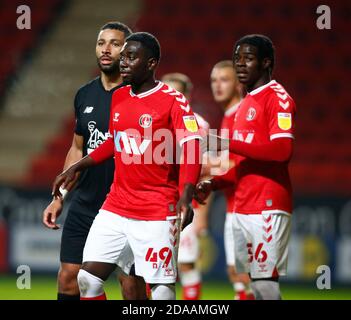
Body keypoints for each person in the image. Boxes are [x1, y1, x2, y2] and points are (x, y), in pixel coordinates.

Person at [52, 32, 202, 300]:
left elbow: (192, 147)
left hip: (156, 209)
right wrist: (76, 167)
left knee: (160, 288)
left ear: (151, 63)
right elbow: (113, 142)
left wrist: (186, 194)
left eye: (132, 57)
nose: (124, 63)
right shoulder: (120, 97)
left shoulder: (173, 100)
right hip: (116, 206)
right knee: (87, 279)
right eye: (124, 57)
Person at [42, 22, 146, 300]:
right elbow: (78, 148)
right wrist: (60, 196)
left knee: (131, 287)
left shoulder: (138, 95)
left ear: (127, 52)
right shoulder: (85, 94)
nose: (106, 49)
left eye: (114, 43)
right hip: (86, 203)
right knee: (69, 278)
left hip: (127, 208)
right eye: (101, 43)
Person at [197, 34, 296, 300]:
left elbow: (282, 151)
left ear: (266, 63)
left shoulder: (277, 98)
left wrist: (227, 143)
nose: (240, 64)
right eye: (237, 59)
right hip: (242, 204)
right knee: (251, 283)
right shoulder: (245, 104)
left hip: (266, 203)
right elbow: (243, 164)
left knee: (264, 282)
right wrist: (214, 184)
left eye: (248, 59)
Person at [161, 72, 209, 300]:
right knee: (155, 266)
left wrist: (202, 215)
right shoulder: (154, 118)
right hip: (157, 202)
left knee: (186, 263)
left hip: (185, 203)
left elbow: (206, 172)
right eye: (168, 90)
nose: (172, 96)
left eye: (177, 91)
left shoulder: (198, 124)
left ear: (187, 96)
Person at [209, 60, 252, 299]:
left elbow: (237, 165)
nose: (217, 85)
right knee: (237, 273)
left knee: (247, 275)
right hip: (233, 205)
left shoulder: (242, 115)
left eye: (224, 80)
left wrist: (202, 167)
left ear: (238, 84)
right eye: (214, 80)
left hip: (246, 207)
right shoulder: (228, 117)